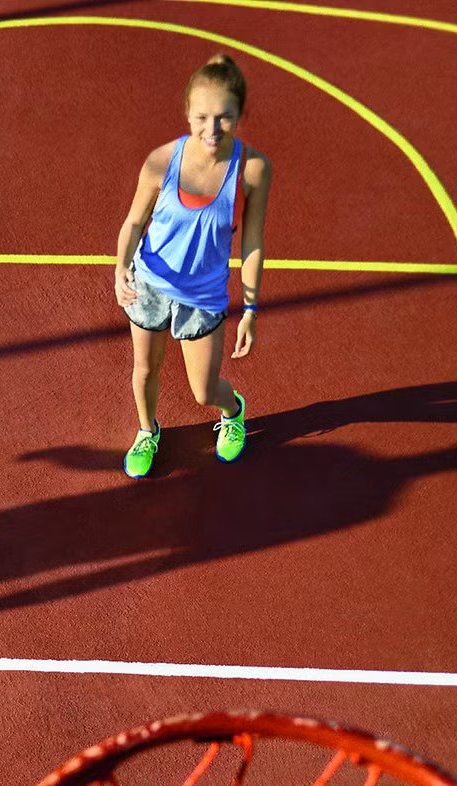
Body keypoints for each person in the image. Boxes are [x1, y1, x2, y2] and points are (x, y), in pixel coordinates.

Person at [114, 53, 271, 476]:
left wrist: (251, 309)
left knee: (203, 391)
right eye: (202, 117)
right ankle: (147, 431)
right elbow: (133, 222)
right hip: (148, 285)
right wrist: (120, 267)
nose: (212, 128)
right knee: (145, 369)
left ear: (240, 115)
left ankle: (233, 411)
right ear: (187, 114)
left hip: (203, 298)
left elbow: (252, 243)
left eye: (224, 117)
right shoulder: (161, 161)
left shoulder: (253, 170)